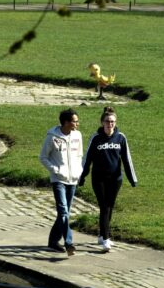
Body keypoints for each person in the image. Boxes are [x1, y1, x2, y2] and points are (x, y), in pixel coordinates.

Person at [78, 107, 137, 252]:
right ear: (102, 122)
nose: (110, 124)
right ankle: (106, 238)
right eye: (107, 121)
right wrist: (82, 176)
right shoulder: (96, 138)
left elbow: (126, 159)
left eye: (112, 122)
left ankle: (101, 234)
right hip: (99, 179)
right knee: (104, 207)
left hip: (115, 179)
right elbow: (87, 159)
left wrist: (132, 178)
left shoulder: (121, 138)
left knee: (109, 207)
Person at [39, 108, 83, 256]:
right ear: (66, 122)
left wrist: (79, 171)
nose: (77, 124)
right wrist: (56, 170)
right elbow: (43, 157)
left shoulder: (77, 136)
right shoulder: (52, 137)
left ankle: (53, 241)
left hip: (73, 179)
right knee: (63, 211)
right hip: (58, 179)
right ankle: (69, 243)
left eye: (77, 121)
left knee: (64, 213)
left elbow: (79, 156)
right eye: (74, 121)